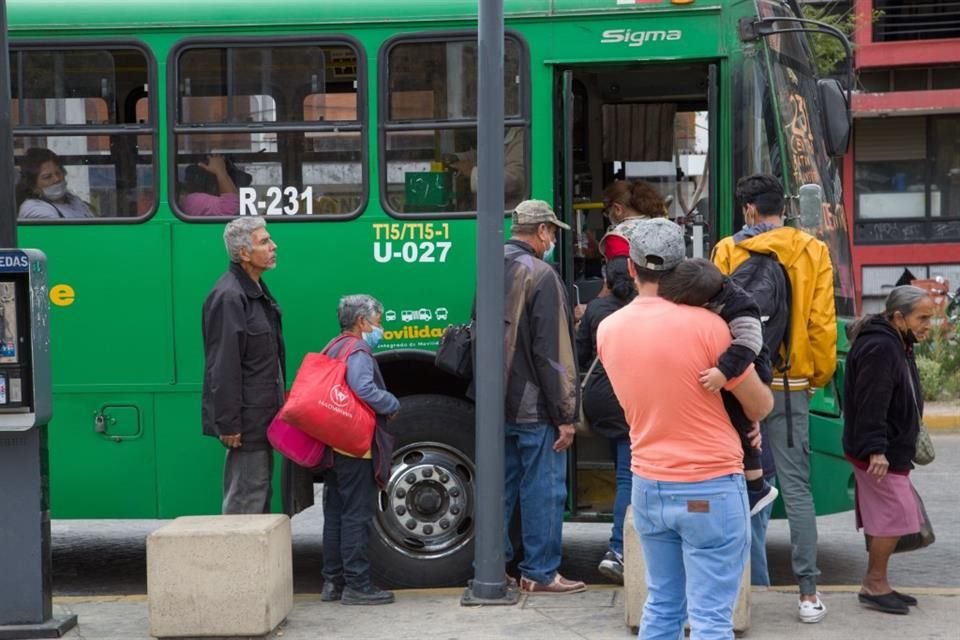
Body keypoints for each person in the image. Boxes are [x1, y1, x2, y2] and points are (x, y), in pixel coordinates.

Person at [598, 217, 773, 638]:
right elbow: (760, 404)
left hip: (649, 484)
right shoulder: (711, 328)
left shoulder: (609, 330)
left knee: (661, 603)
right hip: (710, 485)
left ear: (633, 269)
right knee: (711, 616)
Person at [712, 173, 837, 621]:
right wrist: (816, 373)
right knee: (797, 487)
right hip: (789, 386)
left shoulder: (727, 250)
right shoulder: (813, 251)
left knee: (733, 481)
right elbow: (822, 324)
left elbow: (714, 320)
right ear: (780, 206)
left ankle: (731, 590)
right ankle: (807, 594)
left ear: (748, 210)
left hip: (741, 381)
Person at [502, 199, 584, 594]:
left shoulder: (492, 265)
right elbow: (552, 354)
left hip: (497, 400)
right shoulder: (542, 274)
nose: (552, 239)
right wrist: (565, 415)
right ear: (541, 232)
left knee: (502, 488)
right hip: (534, 406)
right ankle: (540, 571)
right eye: (552, 232)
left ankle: (495, 566)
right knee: (544, 490)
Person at [659, 257, 780, 514]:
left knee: (744, 425)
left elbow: (749, 344)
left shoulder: (740, 307)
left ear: (704, 303)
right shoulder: (714, 290)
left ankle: (757, 487)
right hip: (737, 367)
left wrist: (723, 373)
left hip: (751, 365)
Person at [843, 286, 936, 615]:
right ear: (899, 317)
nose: (928, 325)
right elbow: (872, 402)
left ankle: (877, 583)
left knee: (889, 517)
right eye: (922, 318)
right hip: (880, 451)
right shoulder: (881, 346)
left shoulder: (897, 341)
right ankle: (874, 585)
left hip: (890, 447)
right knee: (896, 517)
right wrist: (875, 449)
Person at [316, 294, 401, 606]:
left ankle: (332, 582)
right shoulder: (359, 350)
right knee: (357, 515)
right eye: (377, 322)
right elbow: (362, 387)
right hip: (355, 448)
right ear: (362, 322)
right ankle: (357, 584)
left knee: (335, 513)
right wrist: (391, 402)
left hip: (333, 444)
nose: (379, 328)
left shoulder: (334, 345)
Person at [201, 217, 283, 514]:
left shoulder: (254, 290)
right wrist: (229, 422)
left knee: (258, 495)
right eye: (264, 242)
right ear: (244, 254)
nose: (274, 246)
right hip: (247, 422)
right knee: (245, 504)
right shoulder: (229, 296)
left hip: (260, 417)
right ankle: (238, 562)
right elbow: (222, 365)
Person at [575, 256, 636, 584]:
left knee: (624, 470)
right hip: (630, 399)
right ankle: (619, 549)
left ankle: (621, 547)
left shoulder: (598, 311)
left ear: (607, 281)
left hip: (601, 400)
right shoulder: (643, 310)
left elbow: (580, 353)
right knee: (630, 476)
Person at [449, 127, 525, 209]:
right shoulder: (499, 131)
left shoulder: (521, 137)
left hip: (506, 213)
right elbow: (485, 155)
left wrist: (473, 173)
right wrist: (459, 158)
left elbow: (515, 179)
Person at [17, 148, 96, 219]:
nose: (56, 179)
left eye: (58, 173)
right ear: (33, 186)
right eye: (48, 177)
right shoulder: (33, 209)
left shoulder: (72, 200)